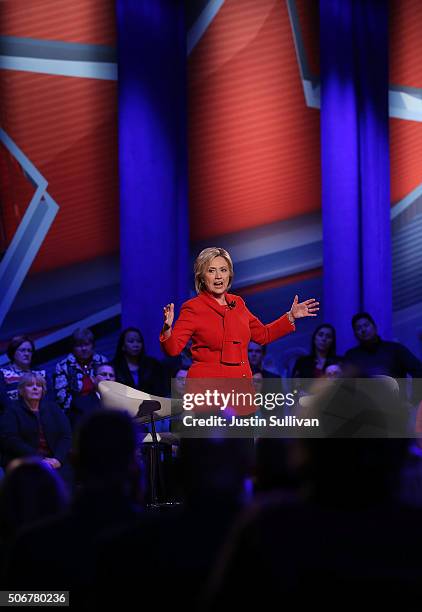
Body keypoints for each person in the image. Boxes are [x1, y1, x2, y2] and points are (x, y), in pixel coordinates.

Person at [160, 247, 319, 384]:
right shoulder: (193, 307)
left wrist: (290, 316)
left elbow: (263, 335)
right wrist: (167, 329)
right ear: (201, 277)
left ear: (229, 274)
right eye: (211, 270)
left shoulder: (238, 303)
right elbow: (173, 350)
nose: (218, 276)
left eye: (223, 270)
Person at [1, 372, 72, 481]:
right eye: (30, 385)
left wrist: (58, 459)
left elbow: (66, 436)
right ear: (21, 390)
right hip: (26, 462)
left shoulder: (53, 408)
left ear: (43, 390)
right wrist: (40, 460)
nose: (35, 388)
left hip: (55, 461)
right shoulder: (11, 411)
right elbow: (11, 440)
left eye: (38, 385)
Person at [345, 312, 422, 380]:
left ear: (375, 327)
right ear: (355, 334)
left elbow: (418, 370)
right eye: (358, 328)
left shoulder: (395, 349)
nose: (363, 330)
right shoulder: (352, 356)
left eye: (366, 325)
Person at [54, 327, 108, 412]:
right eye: (79, 345)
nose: (84, 348)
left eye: (87, 344)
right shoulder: (62, 366)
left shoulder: (102, 361)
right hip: (75, 412)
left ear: (92, 345)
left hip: (102, 409)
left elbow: (109, 387)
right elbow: (61, 397)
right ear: (73, 347)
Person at [113, 327, 167, 396]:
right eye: (131, 341)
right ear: (123, 346)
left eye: (139, 341)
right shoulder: (115, 367)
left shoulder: (153, 365)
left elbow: (160, 390)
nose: (136, 345)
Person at [68, 362, 116, 430]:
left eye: (111, 375)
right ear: (93, 379)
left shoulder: (123, 402)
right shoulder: (80, 404)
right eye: (104, 374)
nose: (108, 378)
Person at [0, 335, 48, 402]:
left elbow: (49, 399)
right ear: (13, 352)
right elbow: (3, 401)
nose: (26, 354)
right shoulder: (3, 374)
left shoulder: (41, 374)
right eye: (22, 350)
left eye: (29, 351)